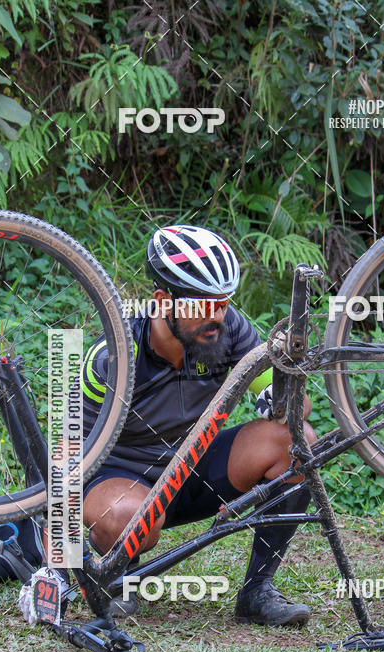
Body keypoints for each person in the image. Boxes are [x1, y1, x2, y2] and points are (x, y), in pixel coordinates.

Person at [81, 224, 316, 625]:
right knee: (132, 517)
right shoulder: (114, 357)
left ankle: (257, 591)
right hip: (121, 480)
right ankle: (115, 577)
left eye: (224, 303)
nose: (218, 316)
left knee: (297, 441)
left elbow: (296, 405)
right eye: (204, 305)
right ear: (162, 301)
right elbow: (65, 454)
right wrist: (57, 552)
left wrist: (280, 395)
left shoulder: (228, 328)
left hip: (191, 470)